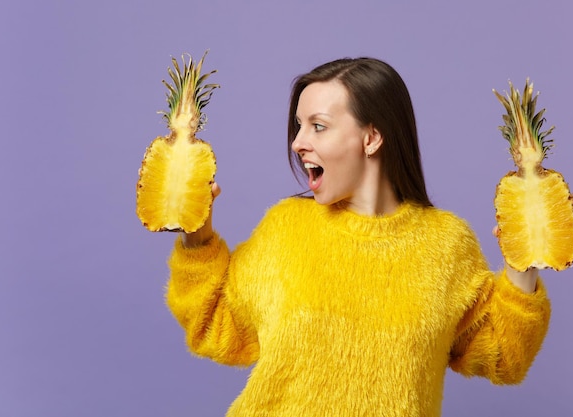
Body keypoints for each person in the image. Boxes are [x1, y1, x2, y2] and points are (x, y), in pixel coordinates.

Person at [165, 57, 551, 417]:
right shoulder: (285, 229)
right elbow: (215, 324)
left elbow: (505, 355)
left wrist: (525, 256)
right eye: (299, 126)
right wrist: (197, 236)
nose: (298, 142)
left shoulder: (447, 245)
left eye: (318, 126)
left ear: (371, 139)